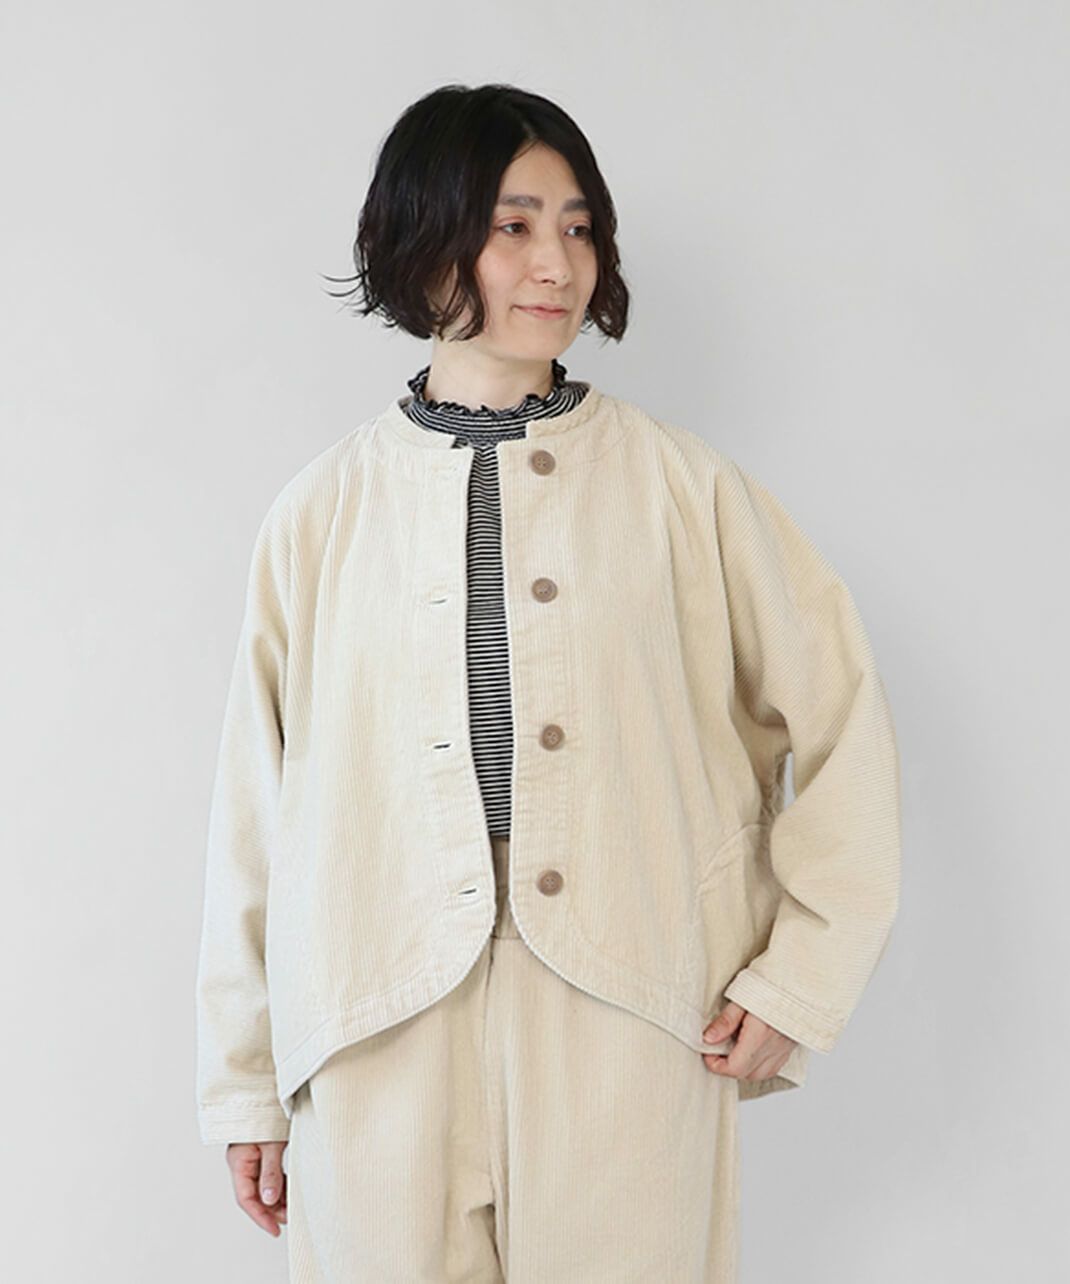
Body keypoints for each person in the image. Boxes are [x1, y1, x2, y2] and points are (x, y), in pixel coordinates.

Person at [195, 82, 901, 1282]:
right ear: (421, 240)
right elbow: (255, 813)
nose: (555, 263)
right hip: (372, 1016)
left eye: (577, 227)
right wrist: (247, 1081)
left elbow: (840, 722)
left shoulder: (686, 490)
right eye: (511, 225)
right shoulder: (321, 513)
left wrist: (800, 977)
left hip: (627, 1004)